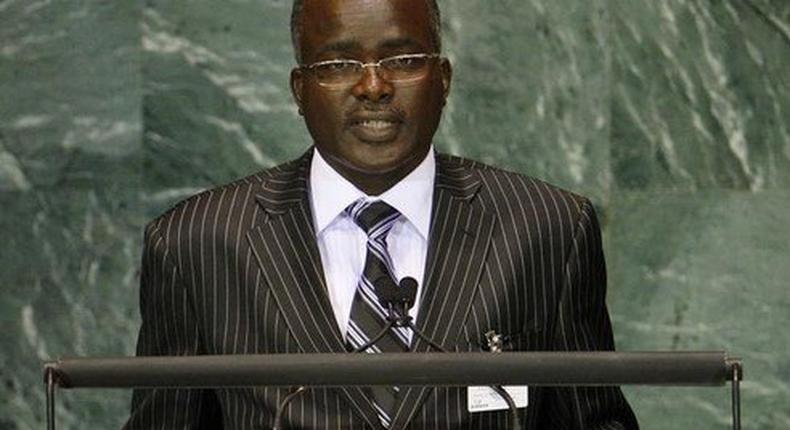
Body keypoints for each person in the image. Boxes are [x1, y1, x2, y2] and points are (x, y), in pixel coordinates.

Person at [125, 0, 639, 428]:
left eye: (403, 59)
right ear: (300, 91)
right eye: (339, 65)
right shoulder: (198, 244)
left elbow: (595, 422)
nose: (373, 87)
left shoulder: (545, 228)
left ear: (443, 80)